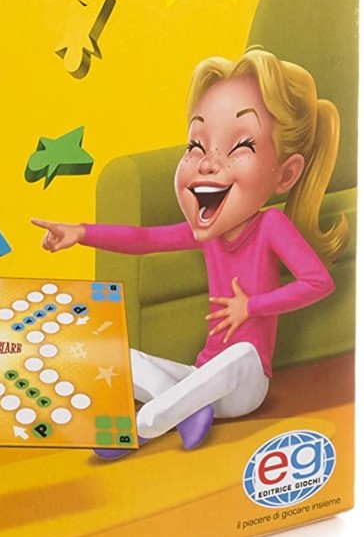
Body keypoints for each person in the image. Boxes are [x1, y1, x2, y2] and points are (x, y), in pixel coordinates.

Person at [33, 48, 344, 458]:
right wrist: (81, 232)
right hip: (202, 375)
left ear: (285, 174)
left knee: (241, 354)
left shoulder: (271, 225)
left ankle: (145, 425)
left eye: (240, 145)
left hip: (246, 382)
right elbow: (144, 240)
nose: (208, 164)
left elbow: (319, 282)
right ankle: (188, 410)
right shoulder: (208, 232)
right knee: (115, 353)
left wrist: (252, 306)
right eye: (197, 144)